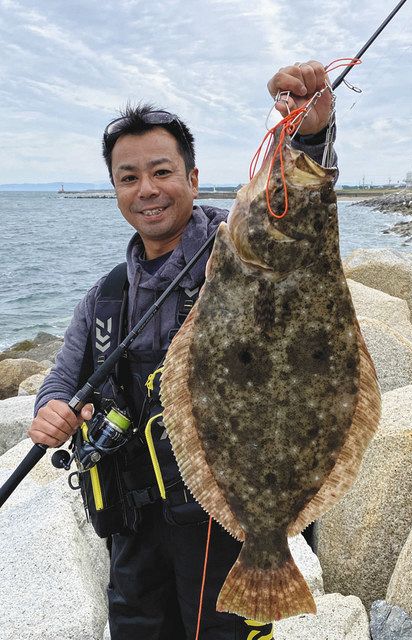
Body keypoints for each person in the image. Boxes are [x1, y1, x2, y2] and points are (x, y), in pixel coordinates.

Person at [29, 61, 337, 640]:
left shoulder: (243, 252)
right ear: (115, 189)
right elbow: (62, 379)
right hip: (133, 534)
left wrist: (310, 135)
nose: (146, 189)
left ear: (193, 179)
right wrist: (51, 408)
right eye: (128, 177)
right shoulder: (104, 297)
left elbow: (301, 215)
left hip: (225, 527)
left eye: (161, 171)